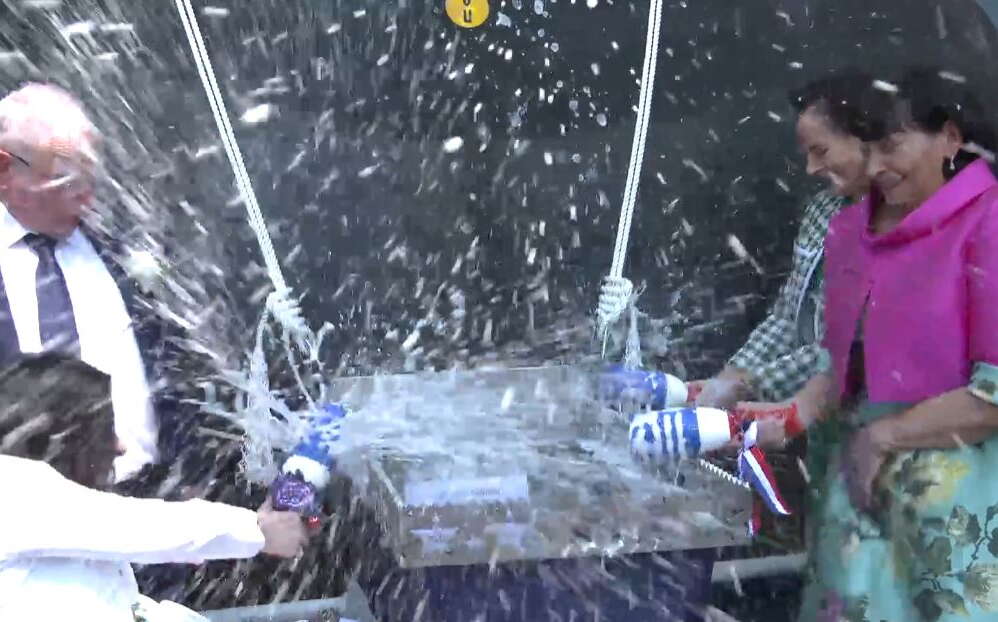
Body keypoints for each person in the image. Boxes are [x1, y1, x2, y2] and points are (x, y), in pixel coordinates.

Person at [747, 67, 998, 621]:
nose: (878, 166)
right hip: (855, 510)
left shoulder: (989, 222)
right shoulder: (850, 234)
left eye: (892, 146)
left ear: (950, 138)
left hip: (957, 515)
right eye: (871, 147)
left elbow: (994, 392)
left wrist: (887, 435)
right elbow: (843, 372)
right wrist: (773, 421)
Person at [0, 353, 309, 621]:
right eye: (105, 430)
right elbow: (141, 527)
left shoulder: (51, 531)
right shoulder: (13, 489)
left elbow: (124, 607)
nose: (120, 447)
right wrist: (257, 531)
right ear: (64, 437)